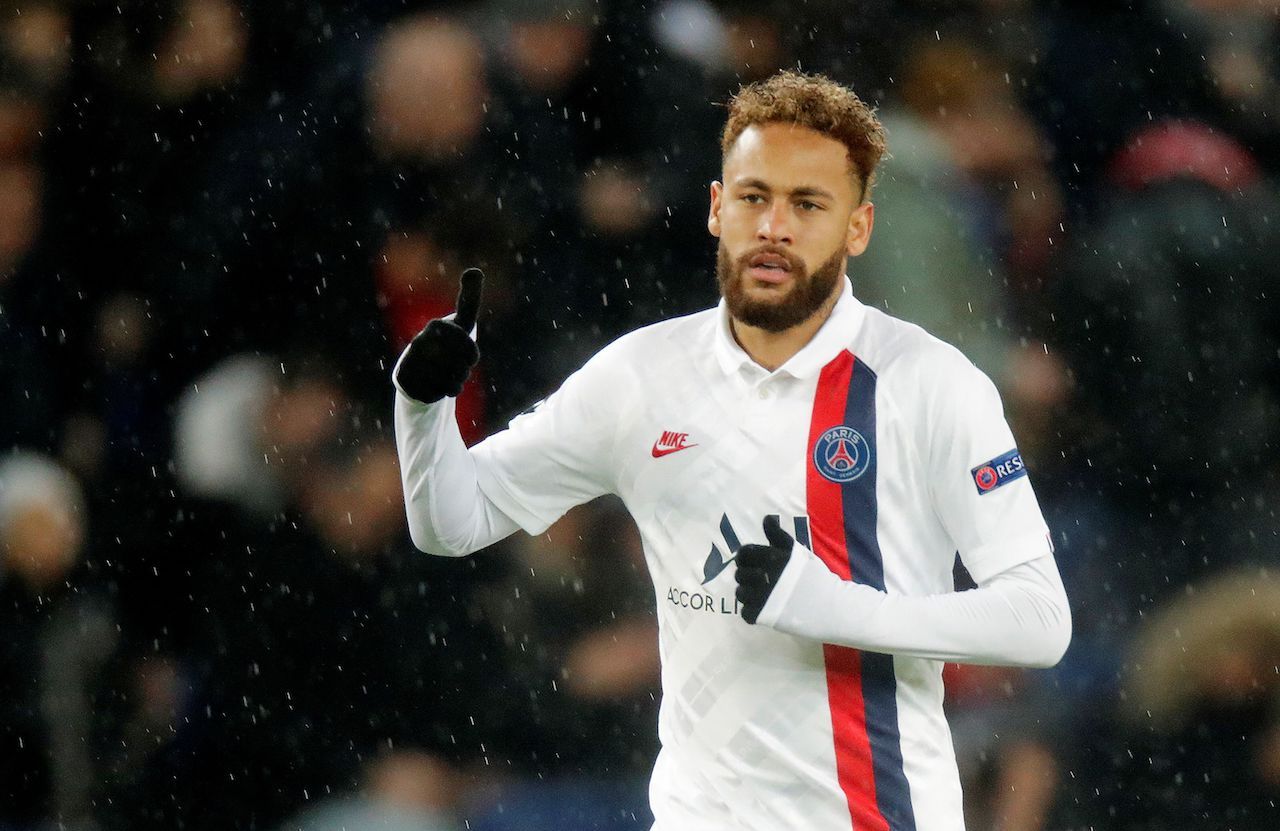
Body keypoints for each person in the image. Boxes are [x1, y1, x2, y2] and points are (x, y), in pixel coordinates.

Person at [392, 71, 1071, 831]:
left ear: (858, 228)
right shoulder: (641, 375)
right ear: (718, 208)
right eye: (754, 197)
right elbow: (452, 523)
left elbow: (1039, 619)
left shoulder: (931, 384)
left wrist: (835, 607)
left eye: (808, 204)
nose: (774, 226)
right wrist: (422, 408)